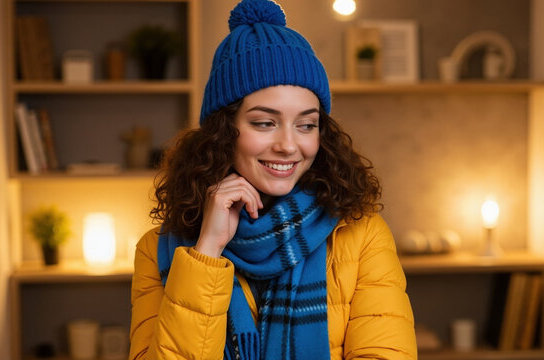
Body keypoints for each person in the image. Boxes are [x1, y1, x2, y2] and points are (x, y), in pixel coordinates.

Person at [129, 0, 417, 359]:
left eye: (306, 125)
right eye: (264, 122)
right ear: (223, 131)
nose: (288, 145)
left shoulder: (362, 236)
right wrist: (207, 251)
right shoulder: (156, 250)